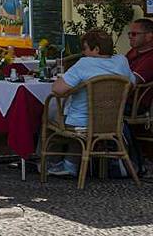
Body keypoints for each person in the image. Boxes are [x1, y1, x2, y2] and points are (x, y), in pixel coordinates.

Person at [47, 29, 135, 177]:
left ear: (96, 49)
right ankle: (70, 164)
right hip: (113, 122)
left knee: (49, 117)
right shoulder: (121, 61)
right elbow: (132, 84)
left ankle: (54, 164)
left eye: (85, 48)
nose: (83, 52)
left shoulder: (84, 64)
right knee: (71, 118)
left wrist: (74, 86)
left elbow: (57, 90)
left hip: (81, 122)